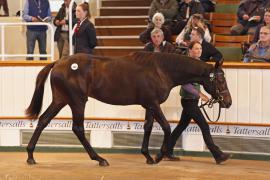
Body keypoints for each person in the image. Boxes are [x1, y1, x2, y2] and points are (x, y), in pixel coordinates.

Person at [167, 41, 231, 164]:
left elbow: (209, 79)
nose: (199, 51)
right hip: (188, 101)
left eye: (200, 48)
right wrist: (200, 94)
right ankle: (218, 155)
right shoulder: (185, 64)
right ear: (190, 50)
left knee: (181, 126)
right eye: (196, 49)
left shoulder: (200, 64)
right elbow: (185, 84)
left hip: (192, 101)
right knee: (204, 126)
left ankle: (165, 151)